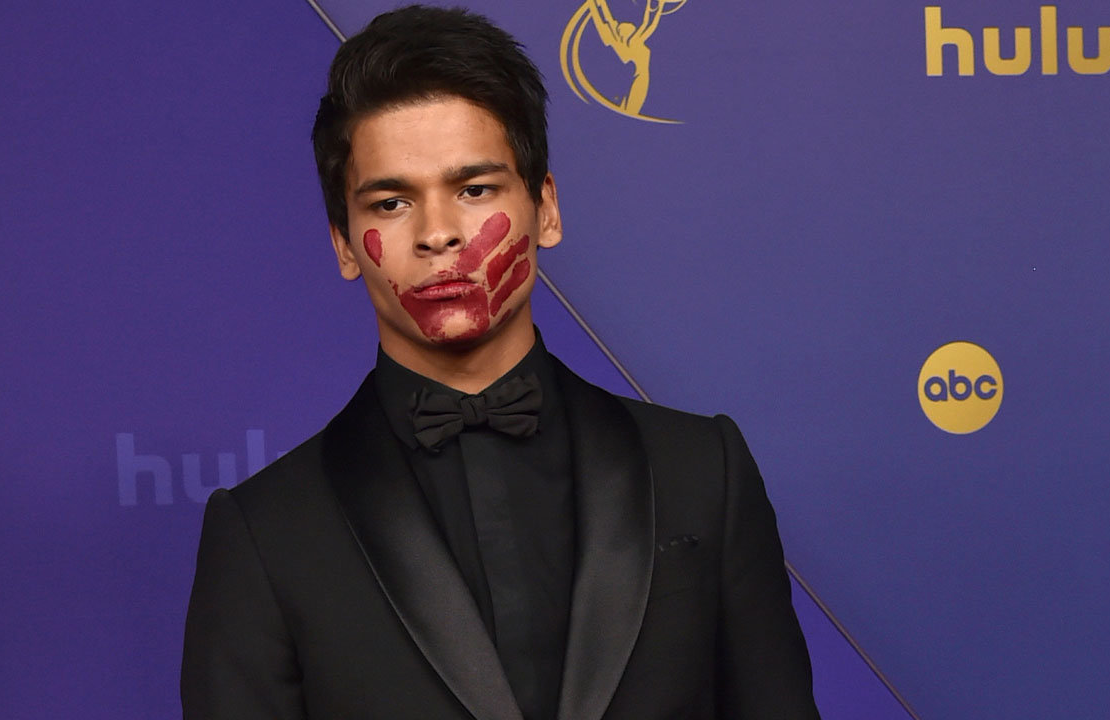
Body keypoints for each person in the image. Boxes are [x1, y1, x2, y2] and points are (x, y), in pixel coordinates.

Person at [181, 6, 819, 719]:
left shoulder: (705, 472)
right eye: (391, 202)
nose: (439, 234)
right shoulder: (267, 534)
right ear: (344, 244)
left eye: (475, 190)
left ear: (545, 206)